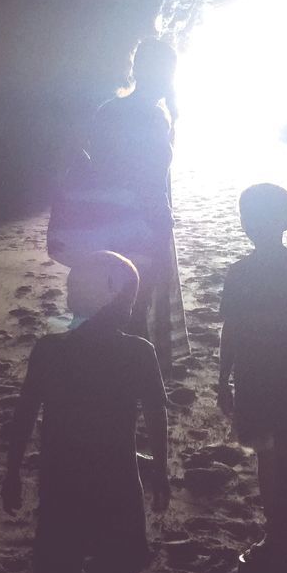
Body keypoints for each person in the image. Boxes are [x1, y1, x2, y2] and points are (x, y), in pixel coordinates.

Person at [2, 250, 171, 573]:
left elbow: (24, 414)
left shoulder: (50, 350)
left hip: (62, 481)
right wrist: (162, 472)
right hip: (116, 482)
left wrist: (12, 472)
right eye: (130, 302)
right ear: (119, 304)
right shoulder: (139, 352)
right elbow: (156, 417)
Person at [216, 183, 287, 573]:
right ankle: (279, 538)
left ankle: (275, 537)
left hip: (255, 377)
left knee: (269, 457)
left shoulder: (241, 273)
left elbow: (231, 329)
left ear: (244, 223)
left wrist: (222, 379)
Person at [86, 37, 186, 368]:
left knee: (108, 294)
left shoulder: (108, 110)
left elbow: (97, 167)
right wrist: (161, 219)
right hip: (142, 221)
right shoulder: (154, 117)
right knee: (137, 299)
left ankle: (102, 365)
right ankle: (130, 372)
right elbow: (151, 178)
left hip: (105, 217)